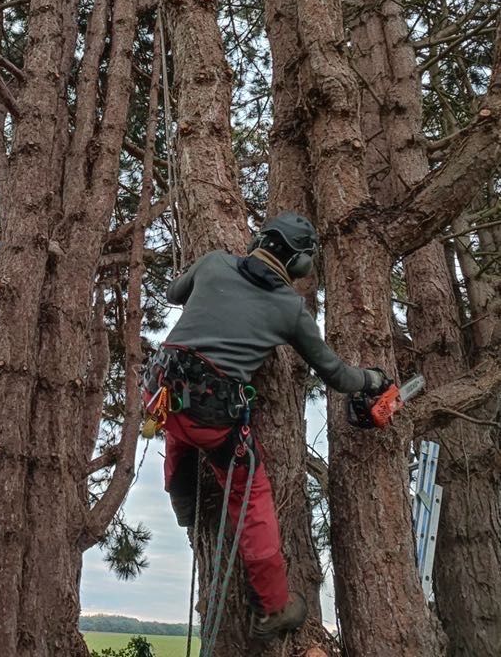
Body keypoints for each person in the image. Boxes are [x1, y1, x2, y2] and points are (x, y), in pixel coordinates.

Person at [149, 211, 391, 640]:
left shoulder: (214, 263)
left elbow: (173, 292)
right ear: (298, 262)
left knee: (179, 428)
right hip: (213, 419)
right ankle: (275, 606)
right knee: (251, 497)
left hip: (163, 396)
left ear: (261, 239)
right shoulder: (289, 308)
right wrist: (372, 379)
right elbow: (335, 374)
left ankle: (183, 501)